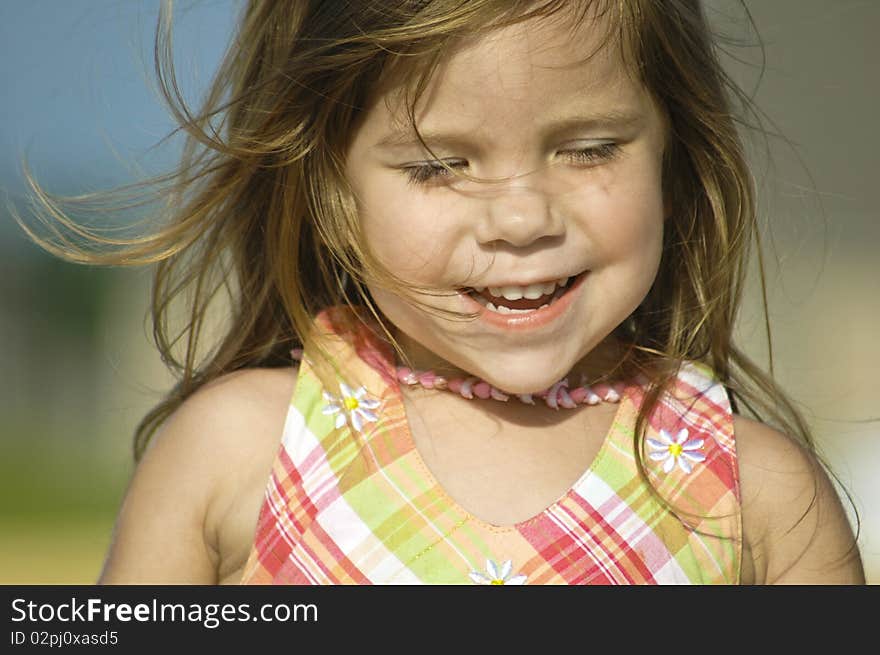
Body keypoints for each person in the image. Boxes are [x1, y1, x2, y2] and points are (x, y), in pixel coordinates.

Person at [19, 0, 864, 585]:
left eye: (590, 148)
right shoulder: (238, 453)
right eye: (437, 164)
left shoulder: (761, 496)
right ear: (334, 198)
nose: (523, 216)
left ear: (674, 160)